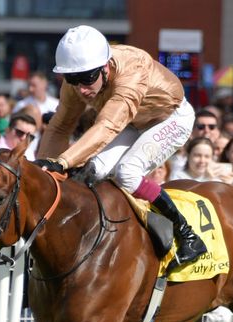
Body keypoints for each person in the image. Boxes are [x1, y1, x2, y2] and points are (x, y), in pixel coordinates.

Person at [35, 25, 205, 268]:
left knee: (128, 172)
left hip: (170, 118)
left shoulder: (131, 70)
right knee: (91, 172)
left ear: (106, 67)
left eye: (88, 79)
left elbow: (107, 126)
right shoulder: (80, 81)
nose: (81, 89)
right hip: (132, 122)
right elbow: (60, 127)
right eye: (72, 80)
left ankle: (187, 234)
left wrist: (61, 161)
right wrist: (44, 172)